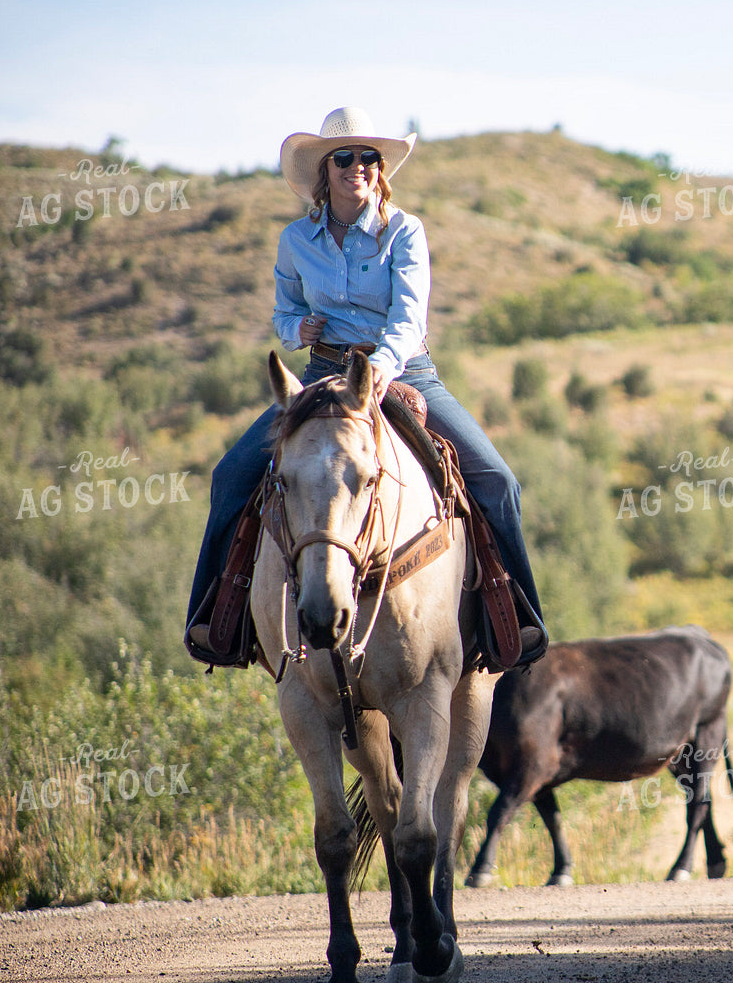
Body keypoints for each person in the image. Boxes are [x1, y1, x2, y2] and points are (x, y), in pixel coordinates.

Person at [186, 106, 546, 663]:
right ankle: (217, 619)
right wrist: (294, 327)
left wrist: (380, 367)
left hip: (405, 371)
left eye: (368, 158)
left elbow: (409, 318)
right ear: (323, 172)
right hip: (322, 375)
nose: (357, 166)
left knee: (498, 480)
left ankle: (514, 620)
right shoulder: (294, 240)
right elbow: (284, 312)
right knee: (232, 475)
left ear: (379, 170)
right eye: (345, 157)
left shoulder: (405, 230)